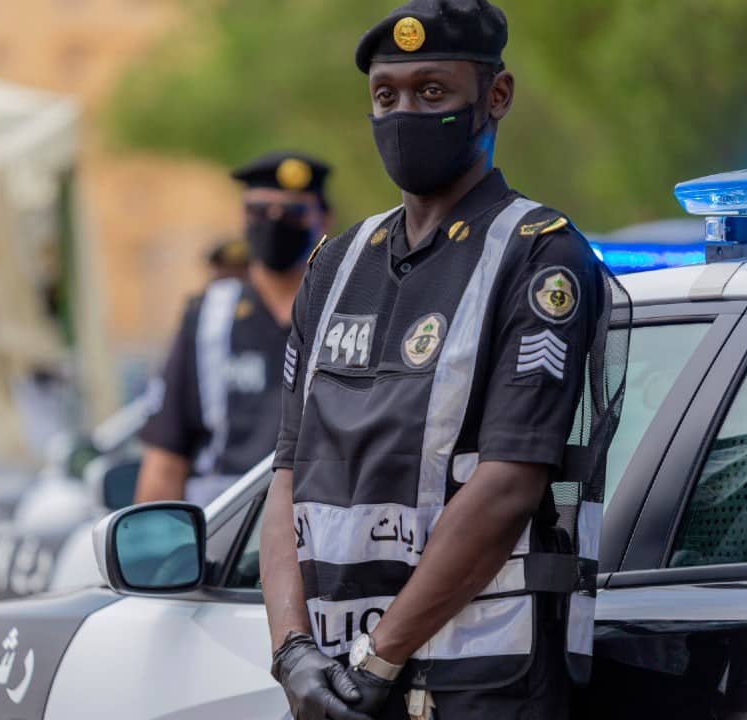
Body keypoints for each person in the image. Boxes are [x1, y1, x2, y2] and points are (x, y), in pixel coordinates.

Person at [259, 2, 627, 718]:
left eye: (433, 92)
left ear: (496, 97)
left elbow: (507, 488)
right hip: (338, 686)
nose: (404, 112)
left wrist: (381, 657)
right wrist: (291, 651)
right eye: (386, 95)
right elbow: (286, 480)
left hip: (477, 685)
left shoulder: (537, 253)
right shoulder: (336, 264)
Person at [135, 152, 334, 506]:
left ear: (323, 219)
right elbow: (165, 460)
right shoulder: (209, 316)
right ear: (242, 218)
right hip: (228, 533)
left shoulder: (347, 307)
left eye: (292, 213)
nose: (273, 223)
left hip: (320, 524)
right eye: (258, 211)